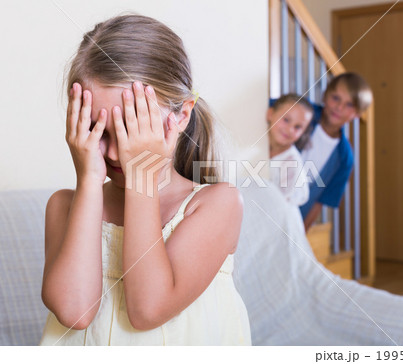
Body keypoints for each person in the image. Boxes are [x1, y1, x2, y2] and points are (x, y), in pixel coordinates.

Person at [39, 14, 251, 346]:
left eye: (133, 130)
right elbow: (75, 312)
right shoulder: (63, 206)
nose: (113, 154)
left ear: (181, 115)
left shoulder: (217, 204)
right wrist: (90, 183)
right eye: (97, 131)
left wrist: (142, 177)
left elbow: (147, 310)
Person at [299, 72, 373, 231]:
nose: (339, 107)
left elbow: (320, 202)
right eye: (336, 98)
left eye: (349, 105)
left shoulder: (345, 158)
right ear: (325, 96)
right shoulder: (301, 113)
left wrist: (300, 234)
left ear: (357, 114)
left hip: (294, 218)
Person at [267, 95, 313, 206]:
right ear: (270, 114)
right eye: (286, 120)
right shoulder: (256, 143)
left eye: (297, 127)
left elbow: (278, 206)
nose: (289, 130)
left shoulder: (291, 164)